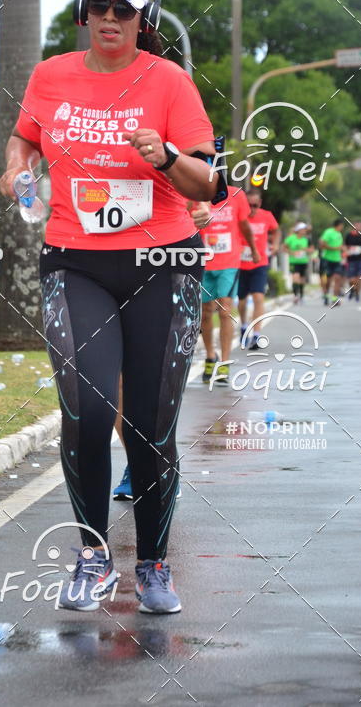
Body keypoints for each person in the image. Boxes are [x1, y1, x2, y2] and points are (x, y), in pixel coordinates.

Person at [0, 0, 223, 615]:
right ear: (84, 12)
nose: (109, 18)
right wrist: (17, 173)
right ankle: (93, 557)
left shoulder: (171, 83)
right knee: (88, 411)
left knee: (150, 426)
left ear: (143, 20)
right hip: (76, 262)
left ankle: (153, 564)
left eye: (123, 9)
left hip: (163, 265)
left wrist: (167, 158)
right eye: (99, 6)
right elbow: (23, 141)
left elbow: (209, 182)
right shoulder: (51, 75)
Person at [113, 201, 212, 501]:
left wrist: (202, 207)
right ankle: (137, 464)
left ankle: (160, 464)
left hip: (167, 258)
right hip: (105, 259)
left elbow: (199, 189)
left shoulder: (167, 165)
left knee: (156, 377)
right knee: (113, 380)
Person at [198, 187, 260, 384]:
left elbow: (244, 225)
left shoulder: (236, 194)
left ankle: (224, 363)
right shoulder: (194, 191)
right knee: (206, 312)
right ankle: (210, 356)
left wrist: (253, 249)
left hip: (229, 263)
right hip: (203, 261)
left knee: (225, 310)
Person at [237, 191, 280, 347]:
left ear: (260, 203)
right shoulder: (239, 216)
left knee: (258, 298)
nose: (252, 209)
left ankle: (256, 334)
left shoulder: (266, 216)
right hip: (240, 264)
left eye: (255, 205)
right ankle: (244, 325)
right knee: (242, 300)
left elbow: (276, 230)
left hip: (260, 263)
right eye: (249, 205)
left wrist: (275, 245)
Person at [283, 222, 313, 304]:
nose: (304, 231)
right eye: (303, 229)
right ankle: (296, 295)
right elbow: (284, 248)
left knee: (302, 279)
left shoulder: (307, 239)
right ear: (298, 230)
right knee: (295, 277)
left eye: (305, 229)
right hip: (294, 262)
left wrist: (306, 250)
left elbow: (311, 249)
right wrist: (292, 253)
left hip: (303, 261)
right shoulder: (291, 238)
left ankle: (302, 296)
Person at [319, 218, 344, 306]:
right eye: (342, 226)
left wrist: (342, 249)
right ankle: (326, 295)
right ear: (338, 225)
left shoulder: (339, 234)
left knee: (337, 278)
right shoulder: (329, 232)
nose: (342, 227)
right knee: (328, 280)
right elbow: (322, 243)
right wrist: (333, 248)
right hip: (327, 259)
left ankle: (334, 298)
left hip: (337, 260)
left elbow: (339, 246)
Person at [344, 221, 361, 301]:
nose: (358, 228)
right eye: (356, 226)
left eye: (360, 226)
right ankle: (352, 289)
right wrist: (346, 251)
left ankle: (357, 293)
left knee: (359, 278)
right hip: (351, 259)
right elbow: (345, 245)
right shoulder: (349, 235)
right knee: (351, 279)